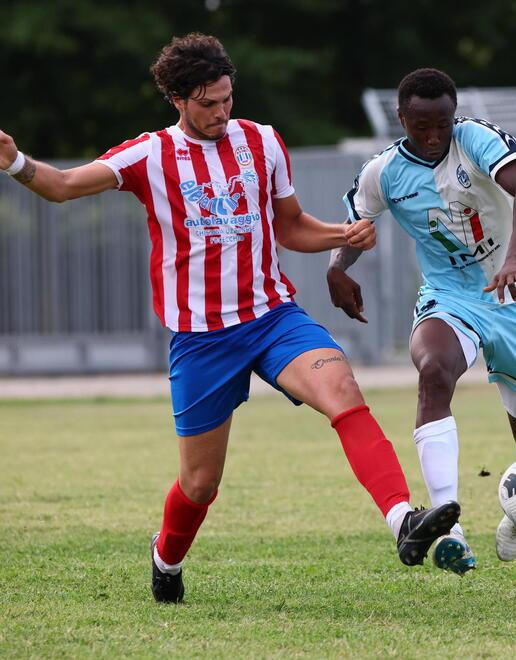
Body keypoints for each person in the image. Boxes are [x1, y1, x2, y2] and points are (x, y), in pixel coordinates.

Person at [0, 36, 460, 603]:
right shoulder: (149, 155)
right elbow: (64, 186)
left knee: (343, 392)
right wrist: (16, 163)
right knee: (200, 485)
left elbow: (290, 227)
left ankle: (402, 520)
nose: (221, 113)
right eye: (207, 103)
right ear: (176, 99)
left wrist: (344, 234)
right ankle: (165, 558)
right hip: (201, 341)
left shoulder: (262, 142)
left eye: (226, 99)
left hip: (273, 318)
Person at [327, 68, 516, 575]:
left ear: (455, 117)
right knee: (433, 371)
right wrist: (337, 268)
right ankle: (446, 524)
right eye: (421, 127)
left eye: (442, 126)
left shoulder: (476, 139)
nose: (433, 138)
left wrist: (515, 258)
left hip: (512, 297)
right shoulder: (383, 173)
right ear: (401, 118)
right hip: (448, 298)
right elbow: (355, 226)